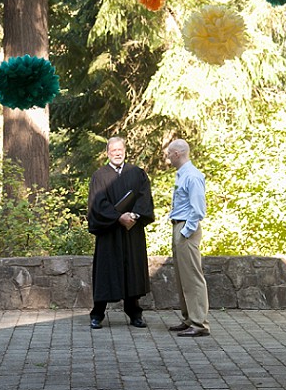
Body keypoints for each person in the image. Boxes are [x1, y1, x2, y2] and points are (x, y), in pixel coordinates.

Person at [87, 135, 155, 329]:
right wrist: (118, 217)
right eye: (113, 150)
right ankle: (97, 313)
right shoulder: (99, 176)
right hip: (109, 232)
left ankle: (134, 313)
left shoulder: (137, 173)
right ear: (107, 153)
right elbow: (97, 204)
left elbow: (144, 198)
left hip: (131, 231)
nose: (117, 153)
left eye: (120, 150)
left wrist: (133, 216)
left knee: (132, 269)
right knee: (106, 271)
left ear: (125, 151)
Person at [165, 139, 209, 337]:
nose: (167, 157)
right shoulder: (182, 175)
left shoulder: (192, 176)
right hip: (179, 226)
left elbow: (198, 209)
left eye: (169, 153)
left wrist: (185, 231)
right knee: (183, 277)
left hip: (186, 228)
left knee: (192, 277)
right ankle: (189, 319)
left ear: (177, 154)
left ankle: (199, 324)